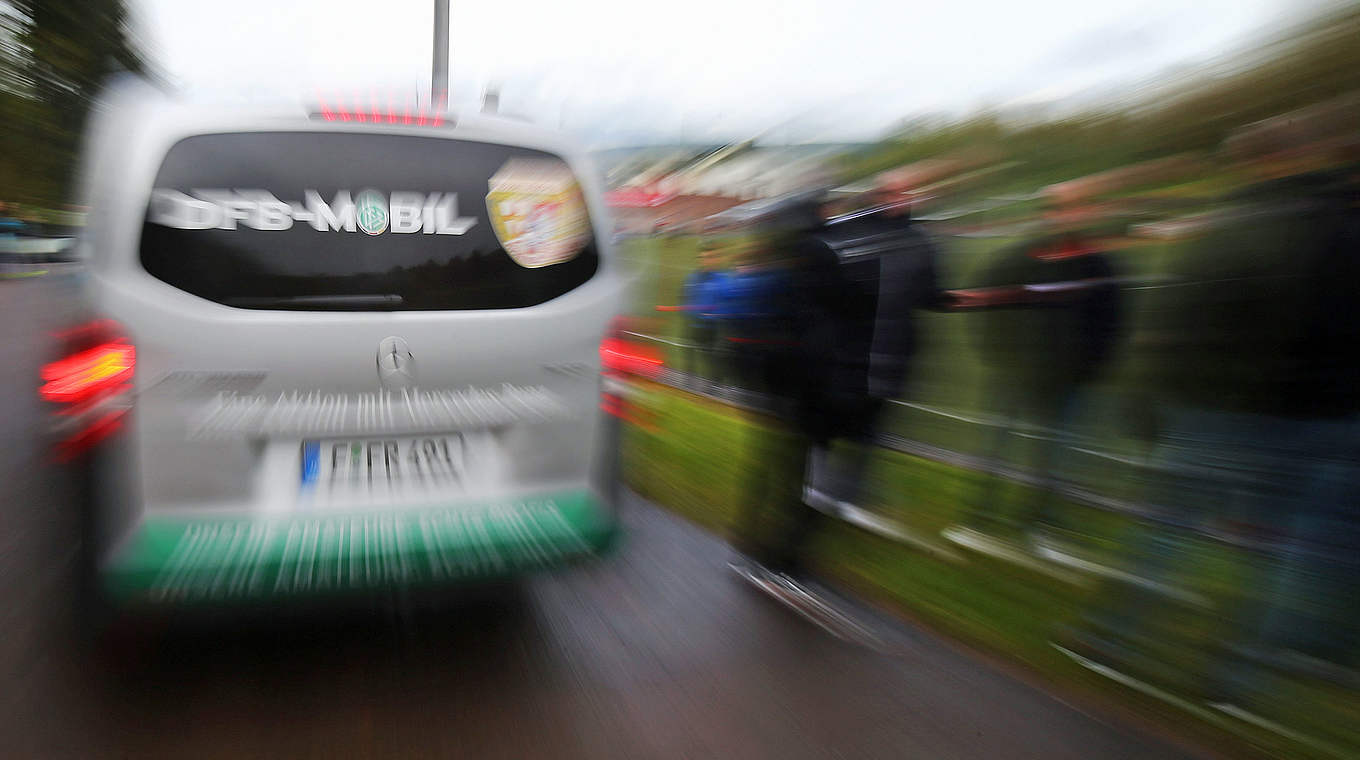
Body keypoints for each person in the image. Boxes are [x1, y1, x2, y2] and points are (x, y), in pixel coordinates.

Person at [941, 180, 1124, 560]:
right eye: (1059, 208)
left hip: (1066, 385)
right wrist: (1001, 356)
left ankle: (1039, 528)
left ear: (1091, 212)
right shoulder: (1019, 258)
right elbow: (985, 302)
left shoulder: (1101, 266)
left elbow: (1111, 325)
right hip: (1013, 377)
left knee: (1053, 459)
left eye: (1078, 207)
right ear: (1047, 213)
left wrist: (1086, 371)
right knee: (997, 450)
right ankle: (978, 519)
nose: (1067, 215)